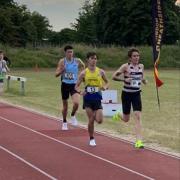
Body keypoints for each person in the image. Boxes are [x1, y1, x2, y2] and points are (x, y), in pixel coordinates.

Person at [112, 48, 147, 149]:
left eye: (138, 56)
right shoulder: (125, 67)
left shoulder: (141, 66)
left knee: (137, 116)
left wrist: (144, 80)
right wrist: (124, 79)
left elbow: (141, 77)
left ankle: (139, 141)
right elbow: (114, 76)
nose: (136, 58)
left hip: (136, 94)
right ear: (130, 58)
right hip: (126, 94)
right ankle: (118, 114)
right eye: (134, 56)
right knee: (126, 119)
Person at [75, 52, 109, 146]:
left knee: (100, 120)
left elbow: (107, 82)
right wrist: (81, 92)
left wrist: (105, 87)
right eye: (92, 58)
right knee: (91, 119)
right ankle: (91, 138)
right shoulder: (84, 73)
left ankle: (93, 118)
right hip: (88, 99)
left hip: (97, 98)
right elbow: (76, 86)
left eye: (95, 58)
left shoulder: (101, 72)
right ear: (87, 60)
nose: (94, 60)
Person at [55, 45, 85, 130]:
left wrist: (81, 75)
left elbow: (84, 67)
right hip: (65, 85)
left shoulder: (77, 61)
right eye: (68, 52)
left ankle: (72, 115)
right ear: (65, 53)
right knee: (65, 106)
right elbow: (56, 74)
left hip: (74, 85)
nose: (70, 54)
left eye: (71, 52)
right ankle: (64, 122)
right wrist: (62, 70)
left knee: (76, 103)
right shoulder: (62, 61)